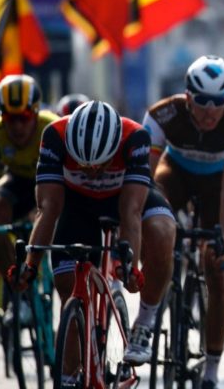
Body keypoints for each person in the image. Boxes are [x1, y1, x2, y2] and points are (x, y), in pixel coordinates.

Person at [14, 100, 177, 369]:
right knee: (69, 287)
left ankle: (144, 324)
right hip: (78, 205)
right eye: (82, 164)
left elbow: (132, 213)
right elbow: (48, 209)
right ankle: (70, 375)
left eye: (100, 165)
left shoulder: (135, 137)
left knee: (161, 231)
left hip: (125, 197)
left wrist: (129, 267)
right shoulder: (54, 136)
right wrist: (30, 265)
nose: (91, 171)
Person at [143, 56, 224, 389]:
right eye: (202, 101)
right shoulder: (164, 112)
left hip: (216, 186)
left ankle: (212, 368)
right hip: (174, 174)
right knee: (154, 213)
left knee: (218, 271)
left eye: (218, 102)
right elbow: (142, 181)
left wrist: (223, 239)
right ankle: (146, 318)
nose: (210, 111)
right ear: (188, 97)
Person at [0, 75, 58, 341]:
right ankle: (17, 289)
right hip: (15, 183)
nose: (17, 126)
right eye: (9, 117)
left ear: (36, 111)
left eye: (24, 116)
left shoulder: (54, 128)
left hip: (48, 184)